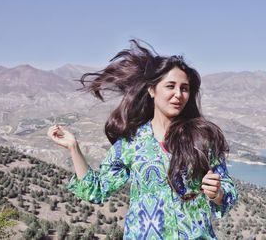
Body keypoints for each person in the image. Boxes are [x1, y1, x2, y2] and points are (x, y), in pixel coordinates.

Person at [47, 40, 238, 239]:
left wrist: (217, 193)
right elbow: (95, 191)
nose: (178, 95)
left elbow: (228, 194)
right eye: (170, 86)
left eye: (184, 88)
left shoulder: (203, 139)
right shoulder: (131, 143)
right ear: (152, 90)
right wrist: (73, 147)